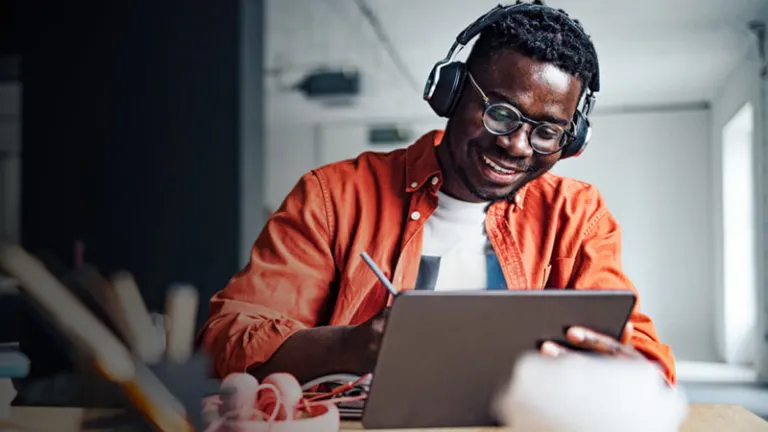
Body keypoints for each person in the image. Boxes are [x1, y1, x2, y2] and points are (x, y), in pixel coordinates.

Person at [197, 1, 676, 386]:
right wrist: (352, 346)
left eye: (547, 131)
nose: (515, 144)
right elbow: (227, 337)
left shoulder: (577, 213)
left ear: (570, 140)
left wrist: (625, 369)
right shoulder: (332, 196)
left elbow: (647, 359)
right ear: (451, 93)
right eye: (501, 113)